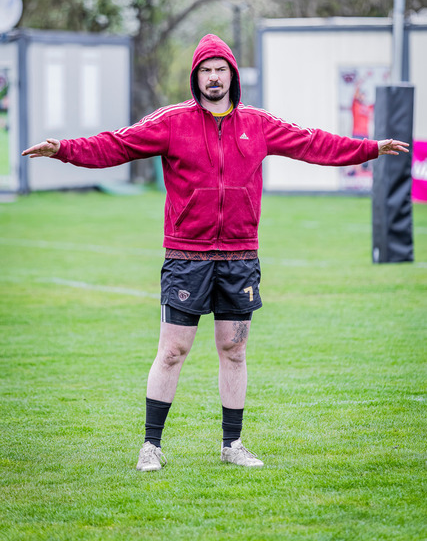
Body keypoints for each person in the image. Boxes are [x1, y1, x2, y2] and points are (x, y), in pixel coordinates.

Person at [22, 34, 409, 471]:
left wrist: (369, 148)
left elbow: (312, 143)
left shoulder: (258, 123)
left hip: (240, 256)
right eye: (205, 70)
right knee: (172, 350)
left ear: (232, 75)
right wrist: (65, 150)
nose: (213, 77)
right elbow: (117, 144)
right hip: (187, 255)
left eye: (220, 70)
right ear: (196, 77)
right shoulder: (171, 121)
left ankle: (233, 445)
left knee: (234, 350)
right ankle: (151, 446)